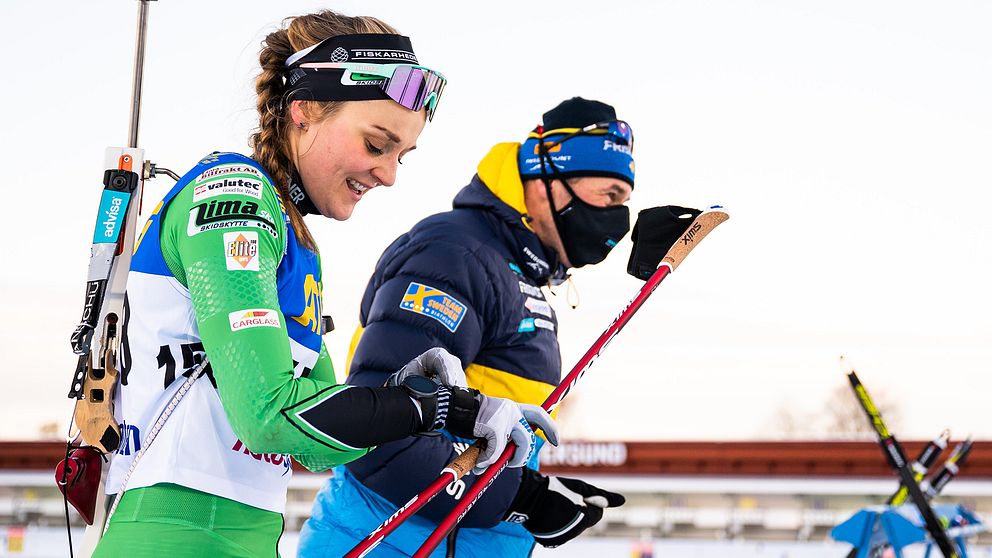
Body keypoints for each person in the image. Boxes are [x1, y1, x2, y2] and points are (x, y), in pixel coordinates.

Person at [92, 10, 554, 558]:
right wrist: (432, 408)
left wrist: (453, 408)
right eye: (377, 144)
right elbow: (269, 418)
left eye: (401, 155)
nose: (389, 174)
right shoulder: (232, 200)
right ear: (303, 111)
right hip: (170, 536)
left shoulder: (294, 239)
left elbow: (320, 446)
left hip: (241, 537)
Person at [298, 97, 632, 557]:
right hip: (390, 545)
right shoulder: (455, 256)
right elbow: (380, 434)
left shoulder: (514, 270)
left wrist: (531, 483)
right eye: (609, 196)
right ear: (547, 176)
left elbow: (484, 430)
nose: (618, 218)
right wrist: (520, 500)